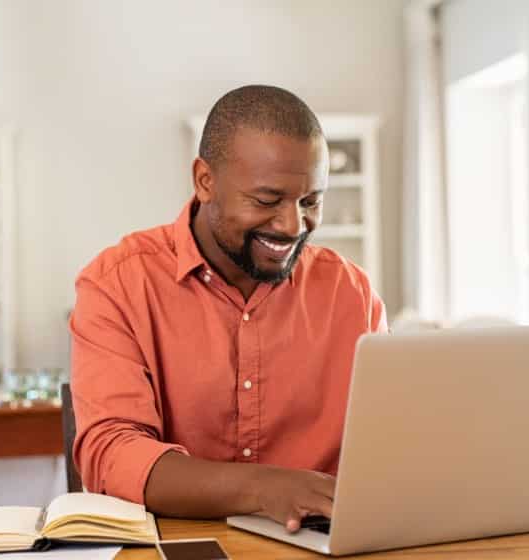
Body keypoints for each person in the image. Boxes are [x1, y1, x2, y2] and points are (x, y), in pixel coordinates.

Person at [69, 85, 386, 533]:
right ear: (205, 181)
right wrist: (263, 488)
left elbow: (387, 448)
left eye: (310, 201)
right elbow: (112, 455)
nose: (294, 225)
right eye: (267, 200)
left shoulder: (352, 293)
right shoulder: (117, 284)